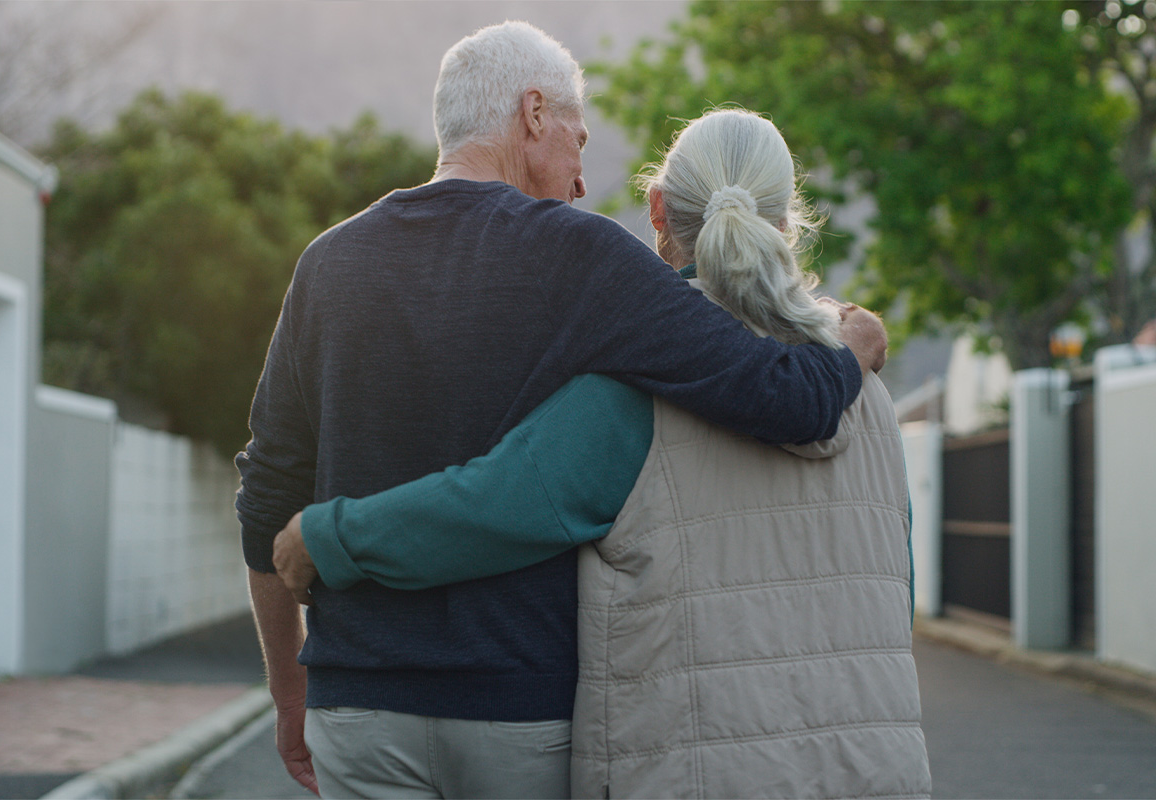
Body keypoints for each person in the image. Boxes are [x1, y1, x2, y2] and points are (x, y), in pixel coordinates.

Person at [236, 21, 885, 800]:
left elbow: (267, 492)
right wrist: (850, 346)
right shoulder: (585, 257)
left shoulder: (327, 263)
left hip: (357, 705)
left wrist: (290, 696)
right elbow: (789, 397)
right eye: (578, 139)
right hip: (522, 710)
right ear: (534, 113)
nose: (581, 182)